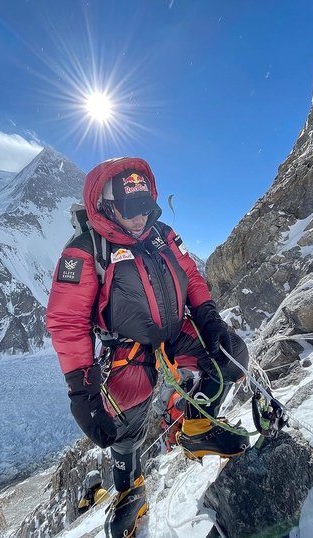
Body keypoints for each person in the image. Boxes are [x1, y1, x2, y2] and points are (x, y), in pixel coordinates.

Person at [46, 157, 250, 538]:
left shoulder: (163, 234)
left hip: (178, 328)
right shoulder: (86, 249)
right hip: (127, 344)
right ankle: (130, 492)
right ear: (107, 205)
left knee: (231, 357)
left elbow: (190, 275)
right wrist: (81, 387)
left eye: (145, 208)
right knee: (124, 414)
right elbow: (67, 320)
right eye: (130, 209)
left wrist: (208, 316)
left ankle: (198, 424)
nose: (140, 218)